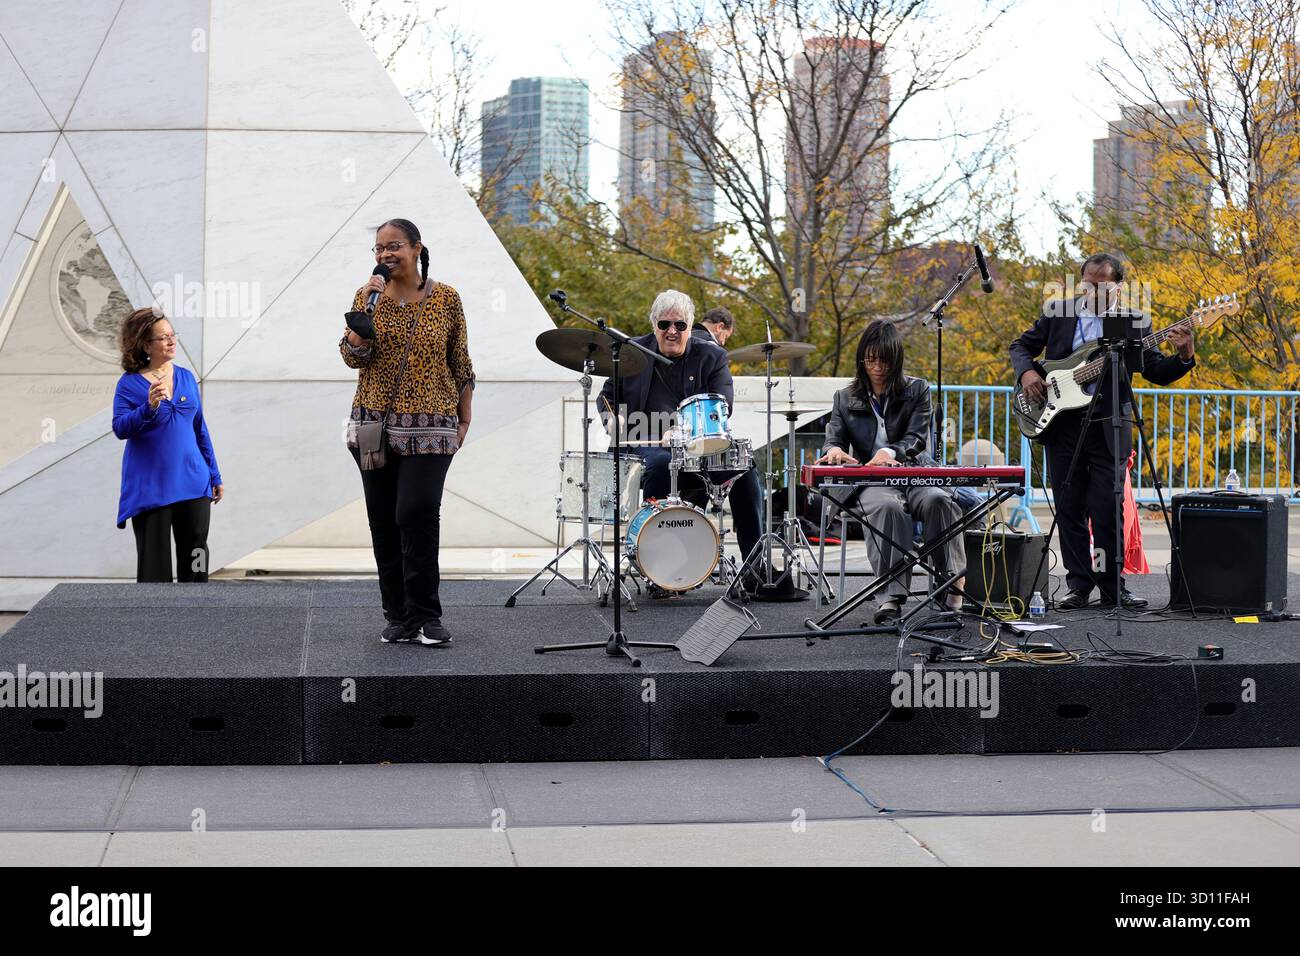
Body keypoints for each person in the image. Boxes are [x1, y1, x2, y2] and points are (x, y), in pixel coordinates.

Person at [1010, 252, 1195, 610]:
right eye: (1087, 285)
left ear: (1119, 287)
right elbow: (1021, 346)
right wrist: (1027, 373)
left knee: (1107, 507)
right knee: (1068, 506)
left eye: (1101, 285)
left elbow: (1154, 370)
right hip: (1063, 423)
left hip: (1110, 425)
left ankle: (1113, 587)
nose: (1092, 292)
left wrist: (1184, 355)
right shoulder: (1058, 313)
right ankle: (1078, 586)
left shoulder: (1134, 321)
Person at [341, 218, 474, 646]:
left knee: (414, 513)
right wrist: (359, 336)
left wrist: (464, 417)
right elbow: (352, 358)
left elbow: (461, 363)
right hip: (373, 425)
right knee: (382, 520)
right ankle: (397, 615)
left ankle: (426, 615)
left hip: (433, 427)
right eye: (378, 249)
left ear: (417, 248)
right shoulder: (368, 296)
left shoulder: (447, 298)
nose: (384, 255)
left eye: (393, 246)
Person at [598, 290, 763, 587]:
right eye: (664, 325)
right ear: (654, 325)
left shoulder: (712, 356)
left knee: (746, 470)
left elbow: (723, 404)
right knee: (662, 465)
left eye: (680, 325)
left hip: (699, 443)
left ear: (690, 325)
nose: (672, 331)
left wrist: (684, 430)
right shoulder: (632, 351)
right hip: (645, 441)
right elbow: (607, 397)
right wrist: (612, 418)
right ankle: (660, 571)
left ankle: (754, 567)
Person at [815, 320, 964, 623]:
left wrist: (890, 452)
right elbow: (834, 439)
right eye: (870, 359)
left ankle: (951, 586)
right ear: (862, 359)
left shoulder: (918, 389)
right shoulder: (845, 398)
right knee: (887, 507)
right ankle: (891, 596)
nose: (878, 366)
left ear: (896, 360)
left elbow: (918, 437)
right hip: (871, 481)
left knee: (940, 502)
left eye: (884, 359)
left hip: (914, 472)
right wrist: (833, 451)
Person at [112, 308, 223, 583]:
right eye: (163, 338)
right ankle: (154, 625)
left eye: (173, 335)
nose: (172, 341)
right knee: (154, 572)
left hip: (194, 484)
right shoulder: (129, 385)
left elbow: (200, 430)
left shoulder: (186, 378)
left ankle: (197, 617)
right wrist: (148, 408)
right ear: (145, 345)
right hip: (152, 488)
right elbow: (120, 428)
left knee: (196, 563)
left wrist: (214, 475)